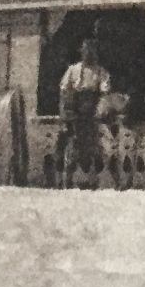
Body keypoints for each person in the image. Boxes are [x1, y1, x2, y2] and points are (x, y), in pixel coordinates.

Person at [58, 40, 114, 188]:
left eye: (91, 51)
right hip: (75, 114)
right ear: (81, 52)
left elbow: (105, 93)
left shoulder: (101, 72)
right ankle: (67, 182)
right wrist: (66, 113)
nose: (88, 54)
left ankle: (93, 181)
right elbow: (64, 91)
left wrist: (100, 111)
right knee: (72, 147)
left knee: (94, 148)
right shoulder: (72, 70)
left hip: (91, 114)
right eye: (85, 51)